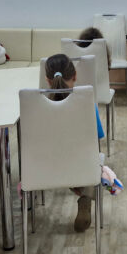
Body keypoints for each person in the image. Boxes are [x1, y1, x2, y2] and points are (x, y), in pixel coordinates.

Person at [44, 54, 107, 231]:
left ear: (48, 80)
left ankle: (29, 205)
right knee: (94, 160)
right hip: (79, 169)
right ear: (75, 76)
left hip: (45, 170)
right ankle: (86, 196)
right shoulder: (87, 103)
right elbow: (96, 139)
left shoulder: (37, 106)